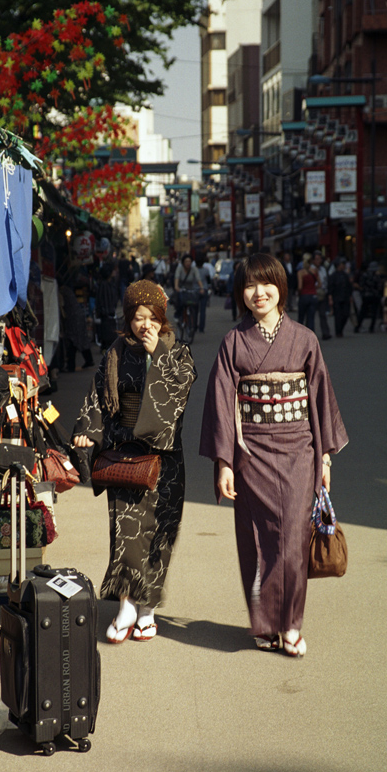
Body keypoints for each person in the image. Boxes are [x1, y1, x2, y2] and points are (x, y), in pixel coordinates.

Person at [199, 253, 348, 658]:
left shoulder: (304, 339)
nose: (258, 293)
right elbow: (220, 404)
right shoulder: (234, 342)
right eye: (249, 286)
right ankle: (265, 623)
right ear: (241, 294)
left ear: (281, 288)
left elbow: (320, 400)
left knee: (293, 541)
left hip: (299, 450)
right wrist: (224, 462)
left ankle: (292, 624)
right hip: (252, 452)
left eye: (266, 284)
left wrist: (326, 460)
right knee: (257, 539)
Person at [73, 280, 196, 643]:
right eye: (138, 317)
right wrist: (88, 430)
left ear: (162, 318)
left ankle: (148, 609)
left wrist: (158, 354)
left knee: (159, 535)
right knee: (125, 532)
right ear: (128, 319)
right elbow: (98, 395)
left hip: (165, 458)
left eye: (151, 317)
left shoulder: (178, 353)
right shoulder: (115, 351)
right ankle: (127, 604)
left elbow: (179, 392)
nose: (145, 325)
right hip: (125, 454)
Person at [173, 254, 205, 323]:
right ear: (183, 263)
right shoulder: (180, 268)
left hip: (190, 289)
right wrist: (176, 287)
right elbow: (177, 278)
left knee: (194, 303)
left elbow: (198, 279)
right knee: (181, 302)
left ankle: (193, 322)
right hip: (181, 288)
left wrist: (201, 288)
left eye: (189, 261)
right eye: (186, 261)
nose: (188, 263)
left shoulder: (194, 269)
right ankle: (177, 315)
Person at [354, 261, 384, 333]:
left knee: (363, 311)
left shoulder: (365, 275)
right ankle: (371, 328)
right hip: (375, 295)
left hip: (366, 295)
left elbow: (361, 285)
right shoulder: (377, 276)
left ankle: (358, 326)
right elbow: (379, 286)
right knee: (374, 312)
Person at [327, 257, 352, 337]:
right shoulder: (333, 276)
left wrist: (350, 296)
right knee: (338, 316)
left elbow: (349, 286)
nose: (343, 266)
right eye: (342, 264)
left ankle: (340, 329)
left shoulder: (345, 275)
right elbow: (330, 288)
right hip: (336, 297)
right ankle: (338, 331)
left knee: (346, 314)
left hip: (345, 297)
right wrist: (330, 298)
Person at [297, 253, 320, 331]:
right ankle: (311, 337)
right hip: (313, 296)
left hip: (304, 295)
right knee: (311, 318)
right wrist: (313, 288)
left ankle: (300, 336)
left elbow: (300, 286)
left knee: (301, 318)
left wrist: (299, 293)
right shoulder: (314, 271)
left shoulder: (300, 272)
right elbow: (320, 284)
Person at [313, 252, 332, 340]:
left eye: (320, 259)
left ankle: (325, 332)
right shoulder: (311, 269)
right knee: (311, 315)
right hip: (314, 293)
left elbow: (326, 281)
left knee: (323, 314)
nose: (319, 261)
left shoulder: (323, 269)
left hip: (322, 293)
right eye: (317, 259)